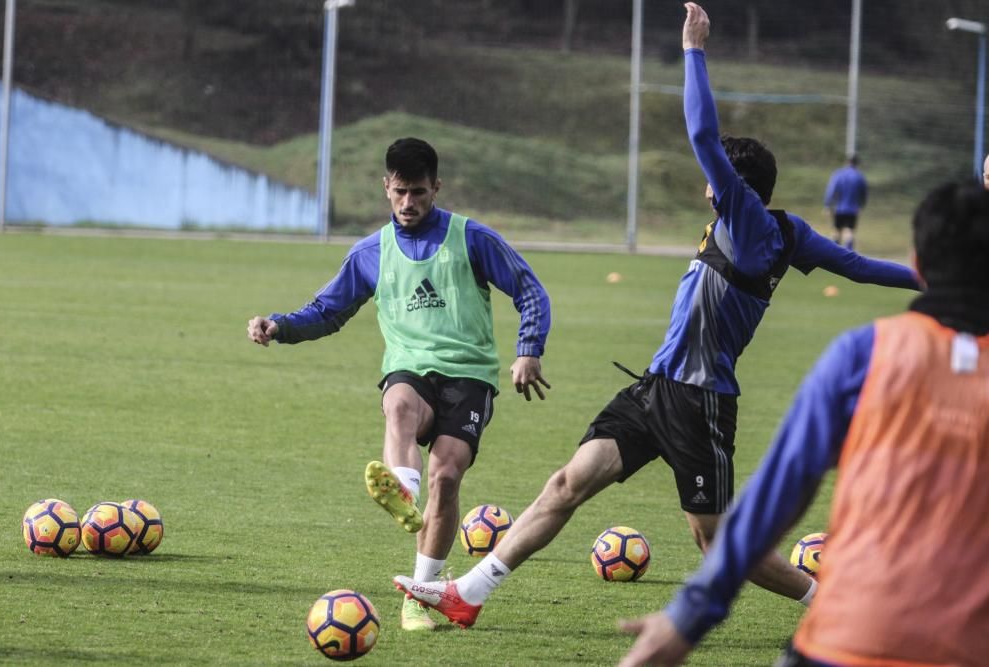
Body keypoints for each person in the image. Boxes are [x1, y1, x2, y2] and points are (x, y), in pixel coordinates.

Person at [393, 1, 920, 630]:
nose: (705, 184)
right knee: (567, 484)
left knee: (718, 544)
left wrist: (693, 51)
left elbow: (701, 135)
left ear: (733, 188)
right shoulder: (786, 230)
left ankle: (846, 609)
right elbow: (860, 267)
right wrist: (934, 276)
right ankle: (468, 594)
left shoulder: (748, 221)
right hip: (655, 390)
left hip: (699, 404)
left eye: (715, 179)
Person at [616, 179, 989, 667]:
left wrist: (690, 616)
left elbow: (777, 494)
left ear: (918, 265)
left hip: (848, 637)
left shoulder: (863, 356)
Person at [247, 137, 552, 631]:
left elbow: (530, 289)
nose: (409, 203)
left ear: (437, 187)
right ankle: (403, 492)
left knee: (448, 476)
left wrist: (528, 350)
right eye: (400, 192)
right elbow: (328, 311)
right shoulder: (371, 252)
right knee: (400, 406)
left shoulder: (472, 238)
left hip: (470, 376)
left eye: (419, 193)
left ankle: (421, 594)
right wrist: (279, 325)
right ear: (386, 187)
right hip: (410, 367)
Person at [824, 154, 868, 250]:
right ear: (857, 164)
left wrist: (827, 204)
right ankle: (848, 252)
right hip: (852, 209)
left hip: (838, 208)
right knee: (849, 231)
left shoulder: (838, 174)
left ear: (847, 162)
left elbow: (831, 190)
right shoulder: (859, 176)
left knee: (836, 230)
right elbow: (864, 192)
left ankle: (834, 252)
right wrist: (862, 205)